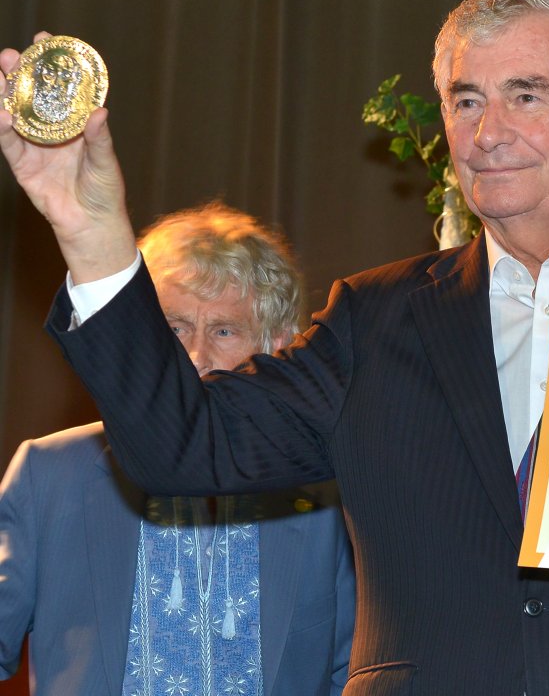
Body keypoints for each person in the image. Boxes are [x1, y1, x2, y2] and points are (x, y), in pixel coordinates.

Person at [1, 0, 549, 695]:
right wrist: (92, 235)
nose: (487, 130)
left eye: (526, 96)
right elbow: (182, 446)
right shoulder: (374, 320)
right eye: (466, 99)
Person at [0, 203, 355, 695]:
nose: (195, 357)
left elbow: (354, 675)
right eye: (173, 329)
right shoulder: (50, 473)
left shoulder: (331, 494)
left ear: (277, 344)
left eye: (224, 330)